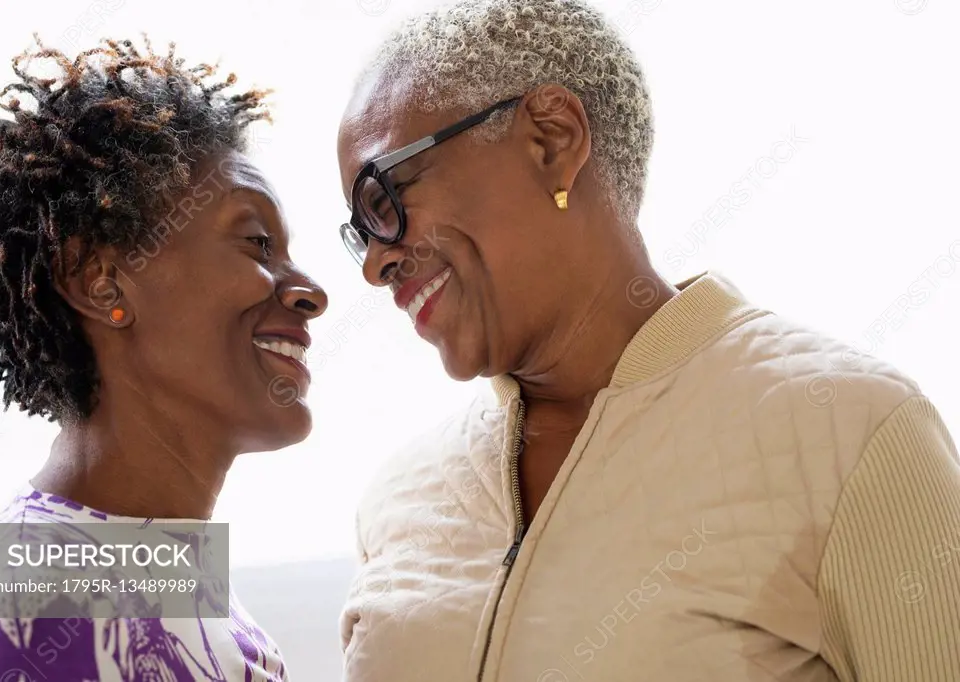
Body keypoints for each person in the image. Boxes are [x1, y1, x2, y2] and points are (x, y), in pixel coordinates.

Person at [334, 1, 960, 680]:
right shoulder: (398, 499)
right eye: (359, 233)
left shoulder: (853, 430)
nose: (375, 262)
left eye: (385, 195)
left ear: (551, 138)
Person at [0, 36, 326, 681]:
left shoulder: (127, 560)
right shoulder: (47, 603)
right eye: (257, 242)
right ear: (102, 281)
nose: (311, 291)